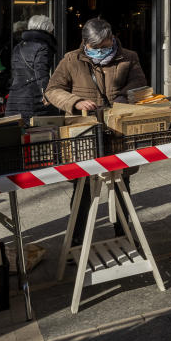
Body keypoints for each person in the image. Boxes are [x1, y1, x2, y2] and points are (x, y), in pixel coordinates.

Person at [45, 18, 147, 245]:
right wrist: (75, 101)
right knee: (82, 188)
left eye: (105, 46)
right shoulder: (72, 59)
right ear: (85, 43)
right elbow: (53, 90)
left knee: (122, 185)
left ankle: (124, 234)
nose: (101, 51)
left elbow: (139, 84)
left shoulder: (129, 57)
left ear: (112, 38)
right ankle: (76, 240)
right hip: (83, 132)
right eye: (95, 48)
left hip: (117, 129)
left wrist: (124, 97)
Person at [5, 15, 57, 120]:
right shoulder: (43, 47)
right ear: (47, 29)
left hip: (13, 101)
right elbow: (41, 75)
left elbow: (15, 74)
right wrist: (49, 96)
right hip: (33, 102)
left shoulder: (18, 46)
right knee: (39, 133)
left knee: (16, 134)